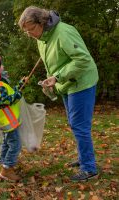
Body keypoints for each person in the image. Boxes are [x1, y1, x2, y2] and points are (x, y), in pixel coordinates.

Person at [18, 6, 99, 181]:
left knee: (79, 125)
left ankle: (89, 168)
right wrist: (50, 80)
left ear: (42, 22)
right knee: (74, 123)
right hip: (66, 85)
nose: (30, 34)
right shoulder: (43, 38)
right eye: (27, 32)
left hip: (81, 82)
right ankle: (83, 158)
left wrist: (58, 76)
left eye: (31, 29)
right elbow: (53, 64)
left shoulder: (63, 32)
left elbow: (83, 60)